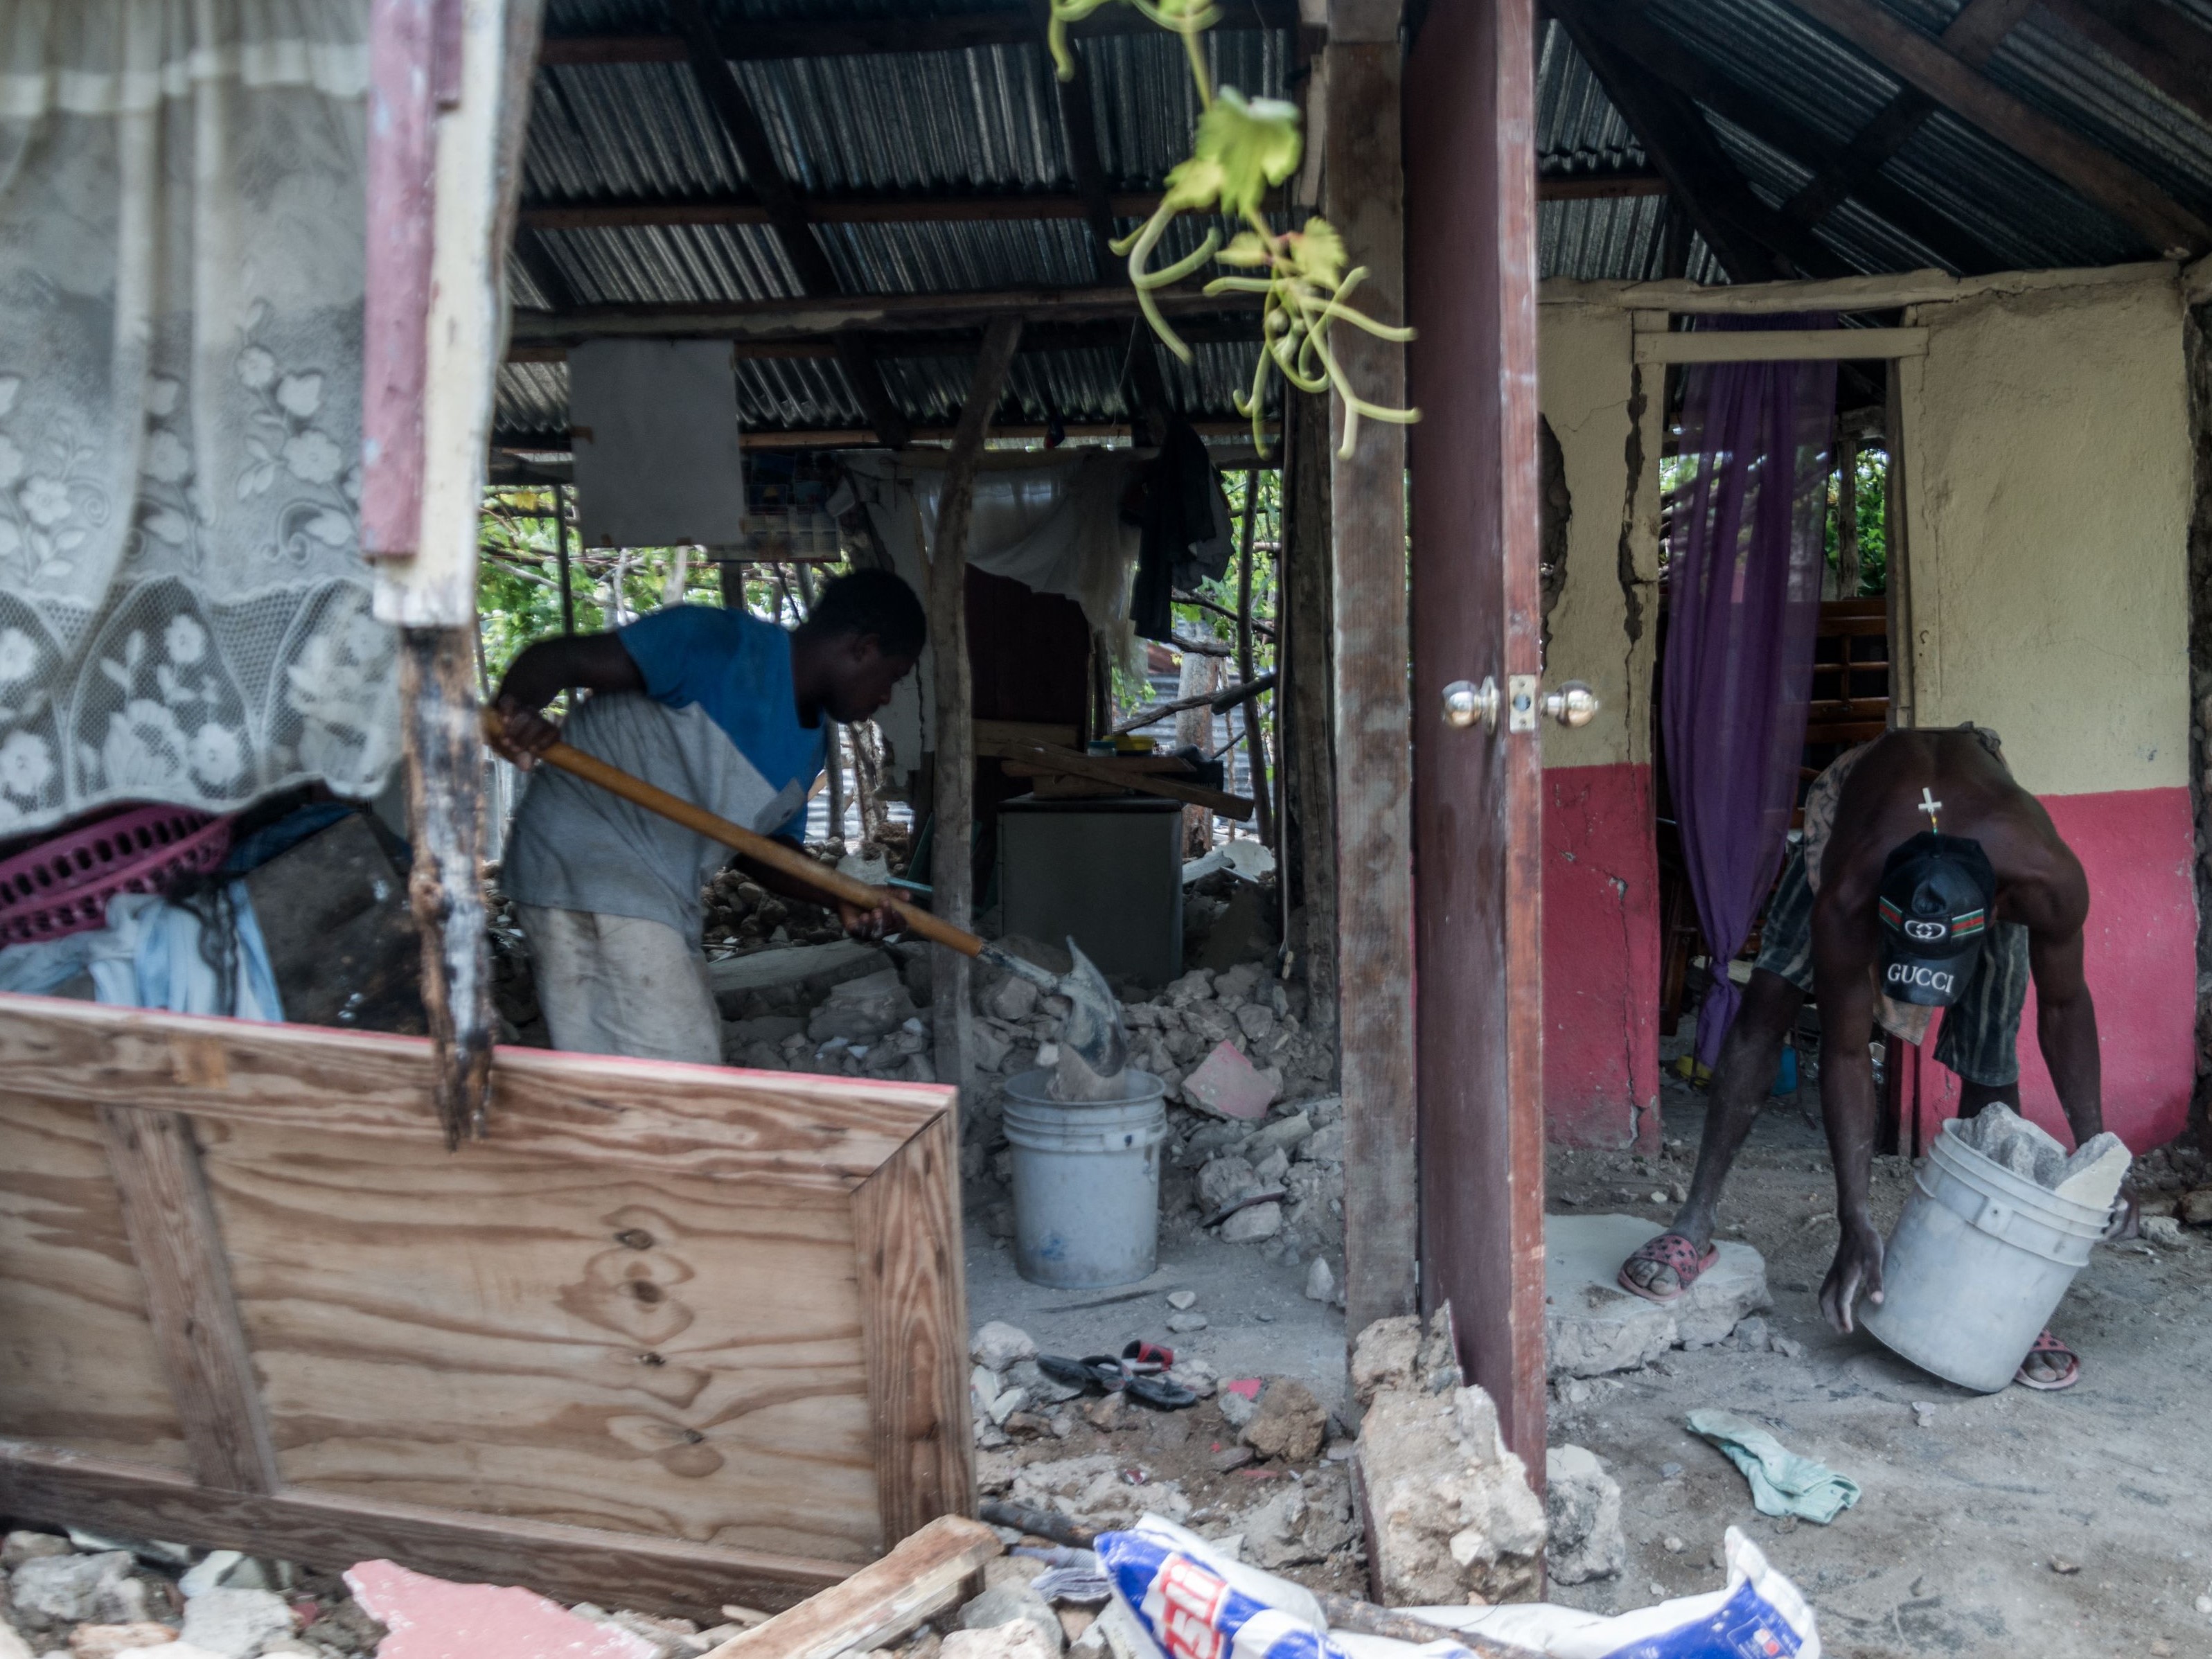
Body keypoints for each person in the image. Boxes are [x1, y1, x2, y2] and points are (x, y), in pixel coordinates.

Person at [1617, 725, 2111, 1390]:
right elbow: (1847, 1051)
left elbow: (2063, 1006)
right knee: (1767, 1003)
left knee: (1993, 1053)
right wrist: (1855, 1216)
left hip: (1978, 845)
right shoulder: (1848, 887)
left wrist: (2098, 1152)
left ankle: (1998, 1292)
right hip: (1859, 804)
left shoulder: (2043, 876)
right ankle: (1694, 1219)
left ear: (1997, 907)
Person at [488, 568, 925, 1065]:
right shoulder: (717, 644)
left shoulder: (807, 751)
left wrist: (841, 895)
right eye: (893, 677)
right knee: (677, 1066)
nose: (886, 696)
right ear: (864, 648)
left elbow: (758, 851)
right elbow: (557, 658)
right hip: (585, 867)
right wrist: (516, 710)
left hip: (658, 895)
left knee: (659, 1064)